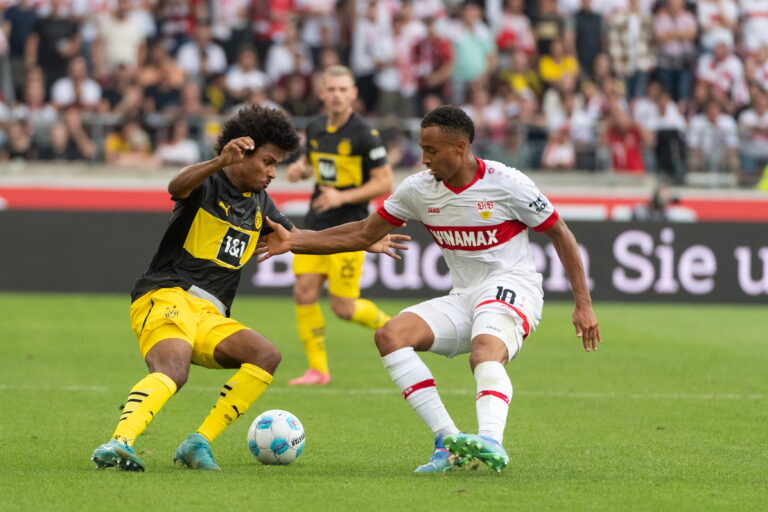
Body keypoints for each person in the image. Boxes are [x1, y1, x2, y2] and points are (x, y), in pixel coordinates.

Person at [258, 105, 601, 473]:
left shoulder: (507, 183)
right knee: (391, 335)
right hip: (464, 295)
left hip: (513, 286)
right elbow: (362, 232)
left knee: (485, 351)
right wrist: (295, 240)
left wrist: (583, 304)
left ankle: (491, 440)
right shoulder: (419, 191)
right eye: (422, 149)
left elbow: (560, 232)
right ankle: (447, 441)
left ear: (461, 147)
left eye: (432, 151)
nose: (423, 159)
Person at [90, 105, 302, 472]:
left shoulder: (261, 204)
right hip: (166, 294)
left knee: (265, 355)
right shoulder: (208, 183)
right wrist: (218, 162)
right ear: (242, 151)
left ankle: (198, 442)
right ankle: (119, 441)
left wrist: (366, 240)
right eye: (268, 161)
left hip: (209, 314)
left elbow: (299, 239)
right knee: (174, 369)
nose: (272, 173)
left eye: (277, 165)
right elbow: (176, 186)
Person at [284, 65, 394, 386]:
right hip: (316, 225)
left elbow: (384, 182)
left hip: (351, 228)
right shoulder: (316, 127)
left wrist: (341, 197)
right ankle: (318, 370)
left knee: (343, 308)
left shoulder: (365, 134)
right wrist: (299, 170)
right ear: (321, 93)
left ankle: (395, 327)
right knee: (304, 292)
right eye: (331, 89)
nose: (337, 95)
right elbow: (312, 162)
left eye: (343, 90)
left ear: (353, 94)